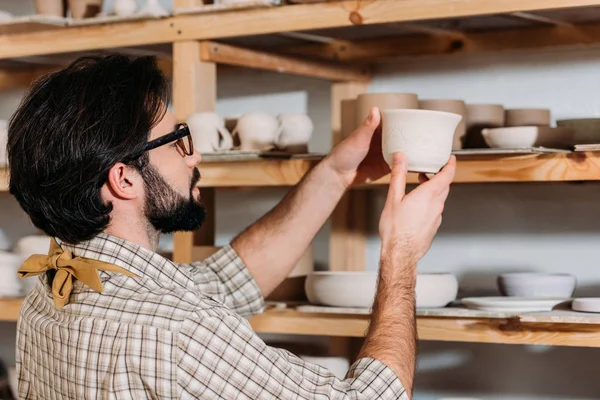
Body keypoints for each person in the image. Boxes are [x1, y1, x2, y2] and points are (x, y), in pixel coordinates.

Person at [8, 54, 456, 399]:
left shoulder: (52, 291)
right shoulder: (182, 332)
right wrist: (401, 253)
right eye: (177, 140)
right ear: (123, 179)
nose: (194, 155)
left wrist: (335, 174)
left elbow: (223, 281)